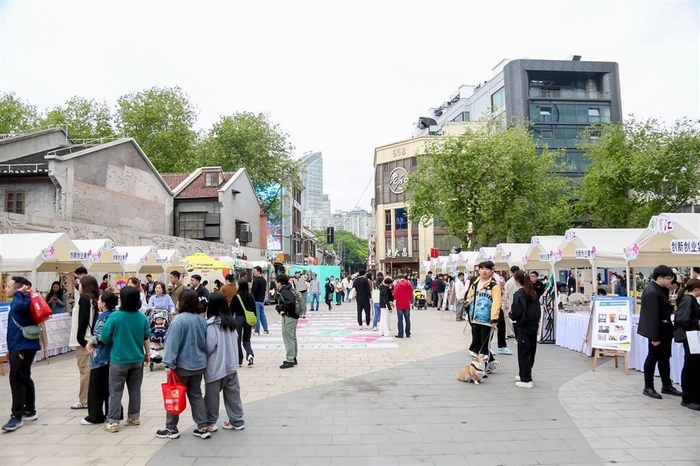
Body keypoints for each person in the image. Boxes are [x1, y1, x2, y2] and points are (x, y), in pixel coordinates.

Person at [156, 289, 209, 439]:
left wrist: (168, 364)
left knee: (174, 395)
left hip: (181, 366)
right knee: (196, 395)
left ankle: (171, 428)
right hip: (198, 364)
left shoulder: (178, 321)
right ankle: (202, 426)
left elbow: (172, 344)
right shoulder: (201, 320)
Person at [100, 286, 151, 433]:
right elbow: (146, 337)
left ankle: (113, 422)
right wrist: (147, 354)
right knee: (135, 390)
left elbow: (105, 337)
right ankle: (134, 417)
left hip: (118, 359)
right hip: (137, 359)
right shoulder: (142, 317)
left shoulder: (115, 317)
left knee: (116, 391)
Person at [638, 265, 682, 400]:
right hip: (657, 331)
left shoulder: (661, 289)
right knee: (652, 357)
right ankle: (648, 387)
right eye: (668, 278)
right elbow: (652, 316)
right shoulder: (653, 292)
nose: (670, 281)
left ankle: (666, 384)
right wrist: (654, 337)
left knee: (665, 358)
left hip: (665, 330)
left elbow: (675, 285)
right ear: (659, 278)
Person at [204, 292, 245, 431]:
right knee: (233, 394)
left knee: (212, 396)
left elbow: (209, 346)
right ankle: (237, 421)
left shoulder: (211, 325)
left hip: (216, 366)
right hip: (231, 365)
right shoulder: (231, 323)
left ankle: (210, 422)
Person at [2, 277, 39, 431]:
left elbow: (18, 308)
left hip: (23, 346)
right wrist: (10, 348)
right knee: (24, 376)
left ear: (18, 288)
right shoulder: (23, 300)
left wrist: (19, 293)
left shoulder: (23, 300)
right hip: (20, 344)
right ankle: (29, 410)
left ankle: (16, 416)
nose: (5, 289)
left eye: (8, 286)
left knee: (16, 378)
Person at [83, 290, 118, 425]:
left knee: (96, 389)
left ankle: (95, 416)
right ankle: (113, 413)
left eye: (99, 300)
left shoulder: (103, 317)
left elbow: (100, 335)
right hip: (112, 356)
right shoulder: (115, 315)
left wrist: (90, 343)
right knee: (110, 388)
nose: (97, 302)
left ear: (104, 304)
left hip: (100, 356)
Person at [465, 261, 502, 374]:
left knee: (485, 345)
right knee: (476, 344)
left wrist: (494, 318)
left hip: (487, 320)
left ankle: (484, 369)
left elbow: (496, 303)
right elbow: (469, 296)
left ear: (492, 271)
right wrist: (467, 303)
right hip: (475, 318)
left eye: (487, 269)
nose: (484, 271)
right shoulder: (475, 283)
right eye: (482, 268)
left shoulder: (494, 286)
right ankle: (490, 362)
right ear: (478, 270)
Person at [69, 275, 100, 410]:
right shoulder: (93, 300)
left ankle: (85, 400)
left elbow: (82, 321)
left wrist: (81, 340)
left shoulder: (84, 299)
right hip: (89, 339)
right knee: (88, 371)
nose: (79, 286)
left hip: (84, 340)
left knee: (85, 371)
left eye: (80, 284)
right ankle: (88, 398)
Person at [508, 271, 542, 389]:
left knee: (523, 352)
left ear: (517, 281)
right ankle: (524, 373)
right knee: (531, 350)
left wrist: (510, 314)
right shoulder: (533, 292)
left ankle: (526, 379)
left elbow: (516, 312)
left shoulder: (519, 294)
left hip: (523, 326)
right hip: (533, 325)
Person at [673, 279, 700, 410]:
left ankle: (692, 396)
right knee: (691, 366)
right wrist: (697, 323)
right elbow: (682, 319)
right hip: (690, 336)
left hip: (693, 336)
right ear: (696, 289)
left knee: (693, 366)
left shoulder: (689, 300)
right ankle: (688, 397)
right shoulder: (688, 300)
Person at [276, 274, 299, 369]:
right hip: (293, 316)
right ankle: (293, 357)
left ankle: (290, 360)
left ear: (280, 283)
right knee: (292, 337)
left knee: (288, 338)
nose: (276, 284)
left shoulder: (284, 291)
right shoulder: (289, 289)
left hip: (289, 316)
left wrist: (283, 310)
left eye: (277, 282)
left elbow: (291, 303)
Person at [230, 279, 255, 367]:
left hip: (238, 319)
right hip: (249, 319)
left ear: (239, 286)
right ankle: (250, 354)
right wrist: (254, 321)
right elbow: (254, 309)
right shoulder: (251, 296)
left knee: (237, 339)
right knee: (247, 339)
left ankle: (239, 360)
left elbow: (231, 311)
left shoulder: (236, 297)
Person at [392, 274, 413, 338]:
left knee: (400, 320)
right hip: (407, 303)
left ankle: (401, 333)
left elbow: (395, 295)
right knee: (407, 319)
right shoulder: (409, 284)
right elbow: (411, 293)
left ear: (398, 278)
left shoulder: (397, 285)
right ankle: (408, 333)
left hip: (400, 304)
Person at [251, 267, 269, 335]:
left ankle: (257, 330)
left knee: (257, 316)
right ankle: (266, 329)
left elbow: (254, 291)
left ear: (259, 271)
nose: (254, 272)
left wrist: (251, 299)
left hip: (256, 300)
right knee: (262, 315)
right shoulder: (264, 280)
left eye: (255, 271)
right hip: (261, 300)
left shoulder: (256, 281)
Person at [503, 267, 519, 338]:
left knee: (513, 320)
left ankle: (515, 335)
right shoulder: (523, 280)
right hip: (519, 303)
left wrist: (506, 303)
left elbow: (506, 294)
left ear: (511, 272)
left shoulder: (509, 282)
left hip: (512, 303)